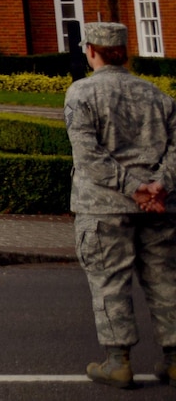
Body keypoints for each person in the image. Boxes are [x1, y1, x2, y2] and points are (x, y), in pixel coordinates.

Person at [66, 20, 176, 388]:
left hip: (103, 208)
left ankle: (118, 362)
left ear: (91, 51)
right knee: (166, 282)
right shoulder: (157, 95)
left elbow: (89, 156)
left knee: (110, 282)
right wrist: (159, 185)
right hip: (159, 208)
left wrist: (133, 188)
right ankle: (174, 359)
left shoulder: (81, 94)